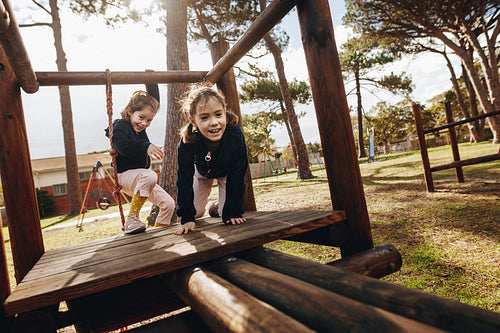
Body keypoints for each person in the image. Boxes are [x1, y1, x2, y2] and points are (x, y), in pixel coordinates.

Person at [175, 86, 248, 235]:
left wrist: (233, 211)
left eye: (218, 114)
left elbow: (239, 172)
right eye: (204, 117)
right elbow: (184, 178)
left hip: (226, 173)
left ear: (225, 113)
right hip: (202, 172)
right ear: (193, 120)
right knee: (195, 213)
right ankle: (203, 209)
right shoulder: (188, 141)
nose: (214, 122)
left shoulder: (234, 134)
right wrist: (186, 217)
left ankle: (217, 206)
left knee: (225, 213)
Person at [105, 89, 175, 234]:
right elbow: (122, 146)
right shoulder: (120, 125)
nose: (144, 123)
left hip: (140, 180)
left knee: (168, 204)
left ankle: (161, 235)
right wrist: (146, 146)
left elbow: (154, 102)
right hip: (124, 176)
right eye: (141, 117)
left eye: (149, 120)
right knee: (150, 175)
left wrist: (151, 82)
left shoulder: (139, 130)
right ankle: (132, 218)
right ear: (130, 111)